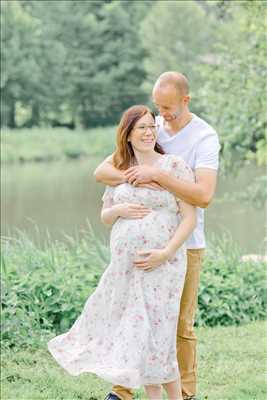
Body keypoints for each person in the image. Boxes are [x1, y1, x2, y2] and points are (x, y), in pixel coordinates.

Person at [48, 104, 196, 400]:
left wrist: (165, 253)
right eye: (141, 127)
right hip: (126, 268)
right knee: (143, 334)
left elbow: (189, 217)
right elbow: (105, 216)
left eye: (151, 126)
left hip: (162, 263)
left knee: (160, 334)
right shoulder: (119, 168)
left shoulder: (174, 166)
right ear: (127, 134)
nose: (148, 132)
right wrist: (119, 209)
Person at [94, 72, 220, 400]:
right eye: (157, 107)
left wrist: (159, 176)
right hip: (135, 255)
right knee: (134, 315)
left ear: (185, 101)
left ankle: (185, 393)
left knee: (178, 325)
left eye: (168, 108)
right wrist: (135, 178)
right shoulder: (151, 127)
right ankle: (122, 390)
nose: (161, 116)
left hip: (184, 246)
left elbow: (203, 196)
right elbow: (103, 172)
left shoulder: (204, 138)